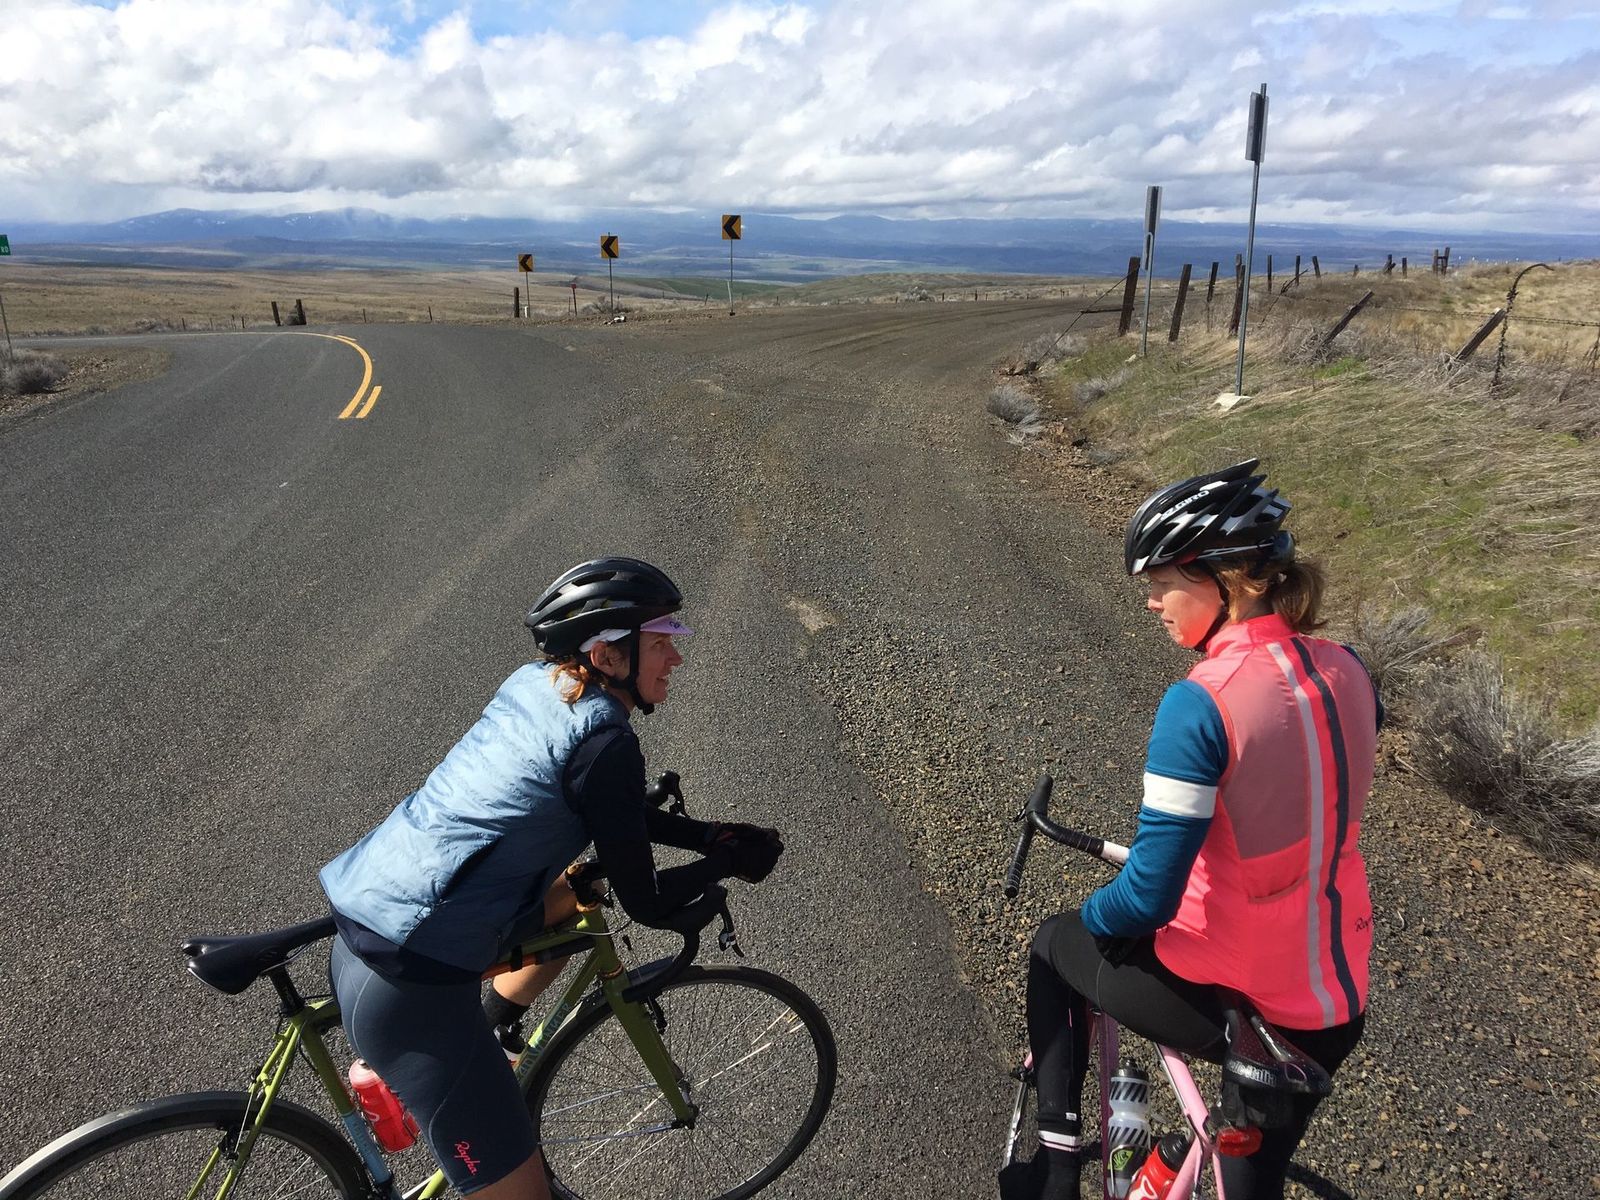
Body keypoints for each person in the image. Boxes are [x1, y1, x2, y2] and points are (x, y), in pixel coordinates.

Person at [320, 557, 784, 1200]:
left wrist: (709, 835)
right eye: (661, 642)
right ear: (609, 655)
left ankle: (480, 1033)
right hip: (414, 989)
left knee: (574, 895)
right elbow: (647, 901)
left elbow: (613, 810)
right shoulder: (606, 743)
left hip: (373, 925)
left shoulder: (538, 686)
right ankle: (433, 1063)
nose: (676, 657)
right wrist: (726, 864)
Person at [1002, 461, 1380, 1200]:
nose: (1150, 601)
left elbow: (1148, 897)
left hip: (1238, 995)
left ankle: (1054, 1172)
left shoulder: (1201, 703)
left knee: (1054, 945)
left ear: (1226, 579)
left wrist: (1097, 914)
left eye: (1161, 581)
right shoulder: (1349, 669)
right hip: (1336, 1000)